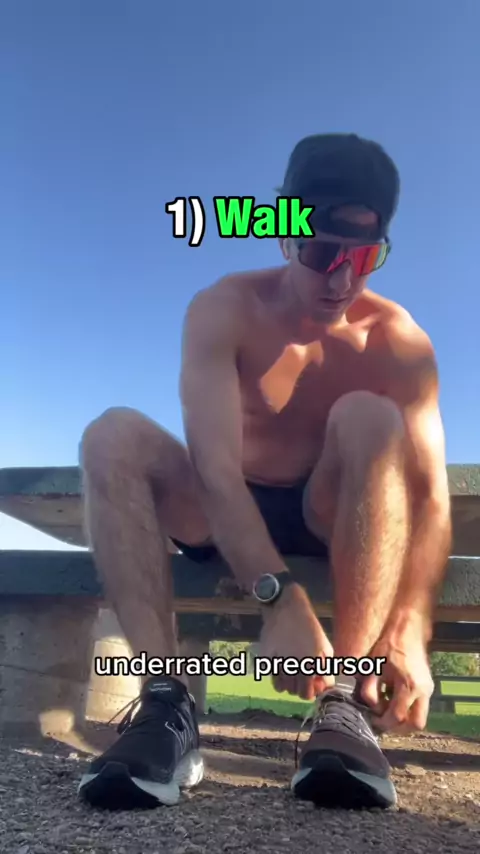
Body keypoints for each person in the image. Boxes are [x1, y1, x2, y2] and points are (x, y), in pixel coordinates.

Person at [77, 133, 452, 812]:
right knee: (112, 436)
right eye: (322, 253)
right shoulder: (227, 307)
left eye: (363, 258)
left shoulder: (398, 342)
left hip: (327, 511)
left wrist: (411, 622)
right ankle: (165, 704)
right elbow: (216, 471)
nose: (340, 282)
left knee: (370, 417)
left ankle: (343, 703)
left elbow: (429, 499)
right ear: (283, 233)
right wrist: (279, 599)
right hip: (223, 511)